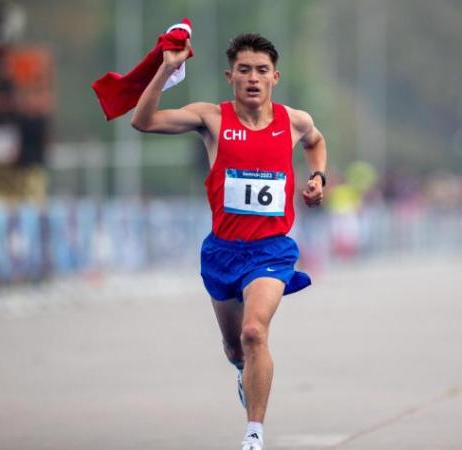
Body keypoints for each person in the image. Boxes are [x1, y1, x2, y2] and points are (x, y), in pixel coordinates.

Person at [130, 33, 327, 450]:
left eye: (260, 71)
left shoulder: (294, 121)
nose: (252, 78)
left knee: (255, 332)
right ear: (230, 76)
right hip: (222, 251)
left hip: (271, 251)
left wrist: (317, 176)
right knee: (236, 345)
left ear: (275, 76)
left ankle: (254, 434)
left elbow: (316, 142)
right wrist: (167, 68)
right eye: (243, 70)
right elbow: (142, 121)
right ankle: (242, 371)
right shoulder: (211, 119)